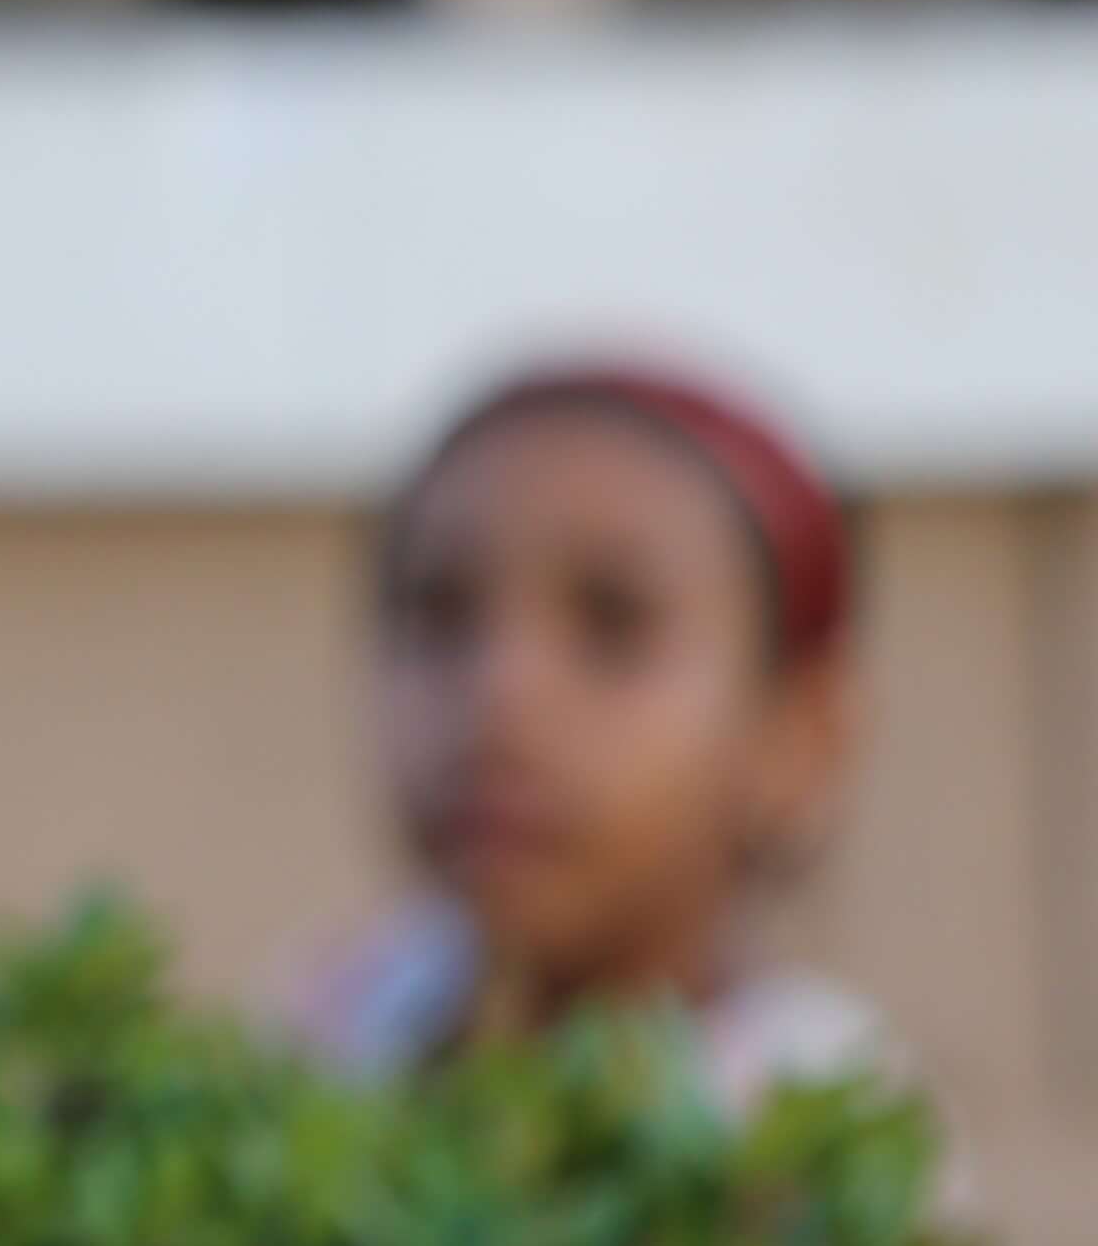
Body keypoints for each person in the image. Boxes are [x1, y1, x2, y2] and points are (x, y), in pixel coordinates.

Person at [286, 362, 960, 1193]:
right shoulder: (325, 1042)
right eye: (439, 612)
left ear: (802, 732)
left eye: (613, 621)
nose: (499, 693)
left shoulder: (826, 1141)